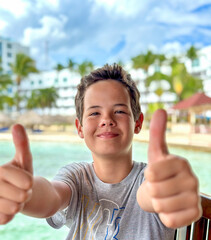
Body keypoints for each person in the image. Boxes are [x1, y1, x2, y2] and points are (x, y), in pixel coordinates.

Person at [0, 64, 201, 239]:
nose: (106, 120)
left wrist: (165, 192)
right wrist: (25, 193)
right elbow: (52, 196)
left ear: (137, 123)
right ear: (79, 128)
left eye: (120, 111)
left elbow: (149, 195)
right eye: (95, 113)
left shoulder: (151, 180)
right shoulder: (77, 177)